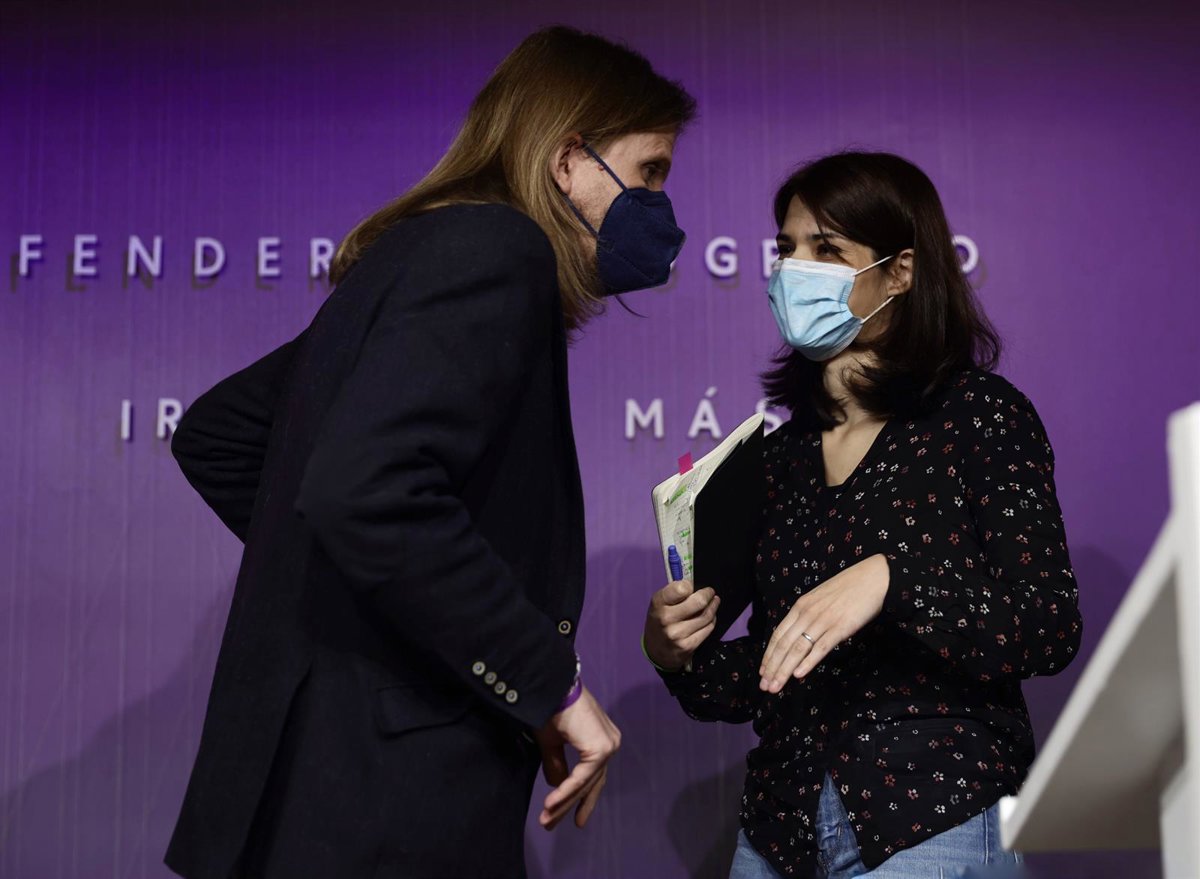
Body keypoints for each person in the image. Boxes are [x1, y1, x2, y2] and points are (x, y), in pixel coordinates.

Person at [166, 26, 695, 879]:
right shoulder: (496, 250)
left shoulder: (419, 250)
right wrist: (548, 680)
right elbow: (364, 488)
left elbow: (224, 435)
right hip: (381, 801)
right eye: (651, 170)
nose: (661, 204)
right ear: (568, 161)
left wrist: (368, 588)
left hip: (313, 794)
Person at [643, 151, 1082, 878]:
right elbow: (768, 667)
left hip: (930, 817)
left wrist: (894, 578)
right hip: (778, 833)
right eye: (787, 249)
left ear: (900, 272)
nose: (795, 270)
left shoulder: (979, 416)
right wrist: (674, 653)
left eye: (827, 250)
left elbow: (1046, 624)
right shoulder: (779, 458)